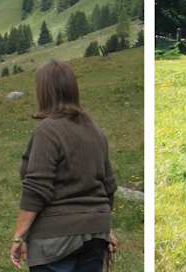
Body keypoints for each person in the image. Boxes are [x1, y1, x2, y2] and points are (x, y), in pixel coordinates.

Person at [8, 60, 118, 271]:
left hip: (54, 239)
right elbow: (109, 186)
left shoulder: (47, 131)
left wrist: (18, 236)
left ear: (43, 92)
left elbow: (36, 188)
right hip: (96, 234)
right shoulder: (95, 131)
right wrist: (105, 228)